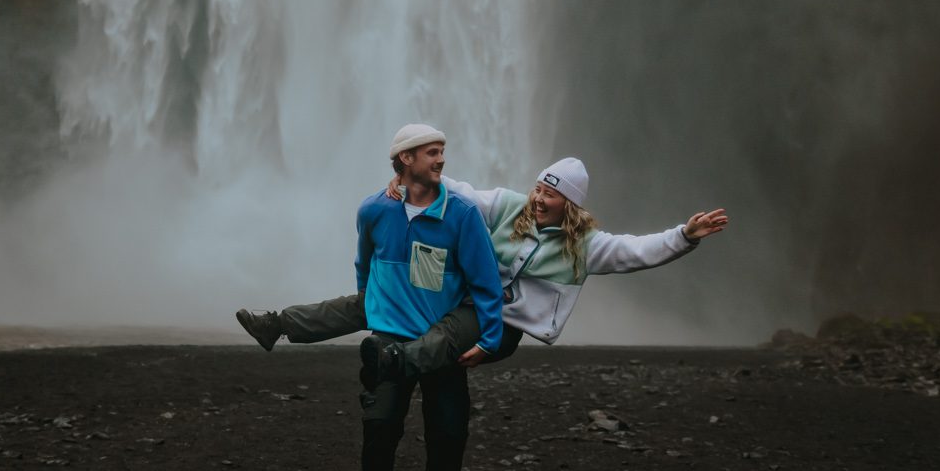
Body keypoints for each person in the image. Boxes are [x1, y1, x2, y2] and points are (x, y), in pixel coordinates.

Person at [235, 156, 728, 380]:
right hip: (464, 296)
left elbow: (638, 251)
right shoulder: (511, 207)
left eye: (550, 194)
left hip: (503, 325)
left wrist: (684, 236)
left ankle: (392, 363)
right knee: (371, 300)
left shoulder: (586, 247)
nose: (539, 197)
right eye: (539, 187)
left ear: (569, 204)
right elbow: (466, 192)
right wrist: (412, 174)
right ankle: (277, 325)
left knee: (453, 330)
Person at [328, 123, 504, 471]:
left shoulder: (462, 214)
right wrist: (374, 309)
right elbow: (363, 265)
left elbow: (486, 285)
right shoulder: (373, 210)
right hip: (388, 341)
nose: (441, 159)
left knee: (448, 442)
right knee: (378, 437)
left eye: (443, 151)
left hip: (443, 346)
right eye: (432, 152)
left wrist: (490, 340)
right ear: (405, 160)